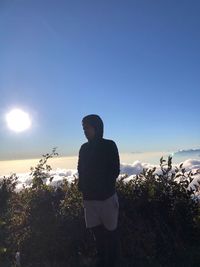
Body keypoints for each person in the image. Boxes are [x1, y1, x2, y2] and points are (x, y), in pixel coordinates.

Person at [78, 114, 120, 267]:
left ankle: (112, 262)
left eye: (87, 127)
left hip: (107, 199)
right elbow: (80, 170)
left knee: (111, 234)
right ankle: (102, 261)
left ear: (97, 127)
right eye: (83, 128)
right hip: (89, 200)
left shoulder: (109, 145)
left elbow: (114, 170)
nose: (85, 131)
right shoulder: (84, 148)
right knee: (98, 235)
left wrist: (101, 187)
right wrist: (83, 188)